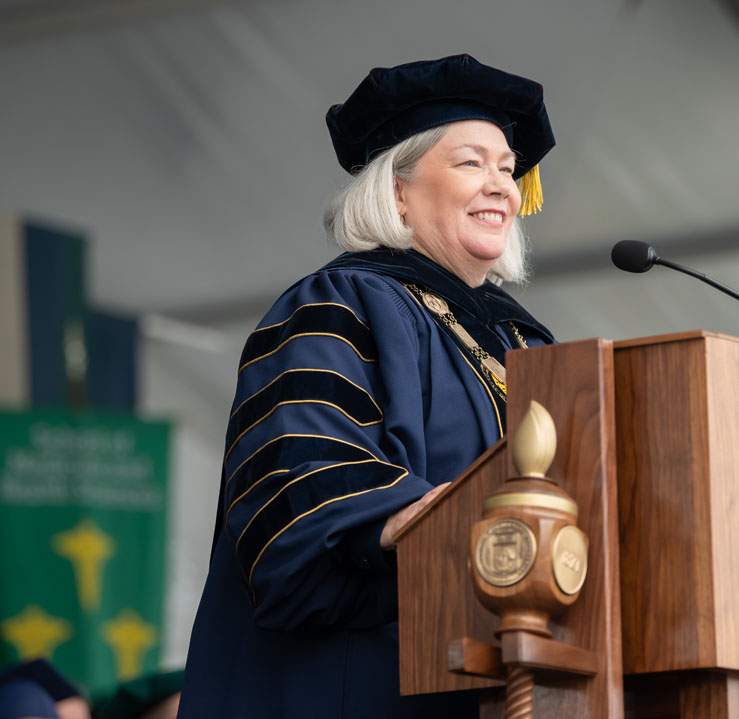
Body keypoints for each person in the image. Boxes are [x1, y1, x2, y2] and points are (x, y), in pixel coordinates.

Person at [178, 54, 556, 718]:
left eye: (506, 166)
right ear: (398, 191)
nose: (500, 183)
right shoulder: (340, 304)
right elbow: (304, 482)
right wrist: (462, 521)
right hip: (363, 688)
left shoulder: (531, 346)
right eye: (471, 162)